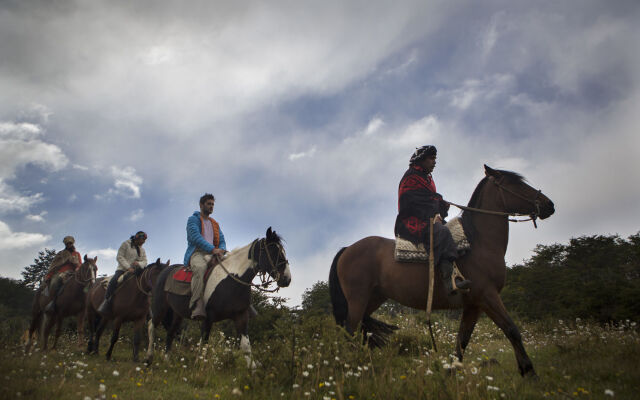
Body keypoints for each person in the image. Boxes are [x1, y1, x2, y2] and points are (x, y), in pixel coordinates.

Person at [394, 145, 471, 295]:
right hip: (412, 221)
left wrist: (440, 204)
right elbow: (413, 201)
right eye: (431, 158)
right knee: (441, 232)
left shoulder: (426, 178)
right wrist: (435, 209)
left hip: (427, 217)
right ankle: (450, 281)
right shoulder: (411, 176)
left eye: (435, 159)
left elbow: (430, 199)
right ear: (421, 160)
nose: (434, 162)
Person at [184, 193, 227, 319]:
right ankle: (196, 303)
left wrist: (222, 250)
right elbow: (195, 238)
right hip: (197, 252)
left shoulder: (215, 223)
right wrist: (213, 249)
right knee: (200, 268)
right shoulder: (193, 219)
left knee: (231, 266)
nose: (211, 206)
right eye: (209, 204)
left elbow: (222, 240)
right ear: (201, 205)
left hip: (214, 252)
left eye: (213, 204)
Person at [97, 231, 148, 314]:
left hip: (136, 270)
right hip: (122, 269)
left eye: (144, 241)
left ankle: (147, 307)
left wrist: (138, 263)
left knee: (144, 282)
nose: (143, 243)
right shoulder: (125, 244)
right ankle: (106, 301)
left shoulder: (142, 249)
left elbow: (145, 261)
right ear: (137, 238)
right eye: (142, 240)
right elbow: (119, 257)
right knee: (114, 281)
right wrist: (128, 267)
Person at [44, 236, 82, 312]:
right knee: (55, 282)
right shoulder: (61, 254)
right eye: (67, 244)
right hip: (61, 272)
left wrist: (78, 267)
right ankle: (53, 302)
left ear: (73, 244)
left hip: (73, 272)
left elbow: (80, 263)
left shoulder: (77, 254)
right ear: (65, 245)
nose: (69, 245)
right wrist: (49, 275)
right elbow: (54, 265)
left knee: (84, 283)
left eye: (70, 243)